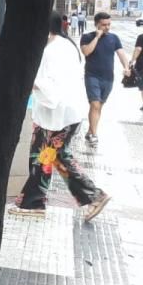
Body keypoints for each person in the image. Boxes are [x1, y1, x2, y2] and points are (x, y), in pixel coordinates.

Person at [11, 12, 112, 220]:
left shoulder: (52, 50)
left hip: (57, 115)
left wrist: (31, 83)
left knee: (42, 157)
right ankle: (90, 196)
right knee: (56, 157)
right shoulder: (66, 45)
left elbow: (51, 86)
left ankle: (34, 203)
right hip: (64, 114)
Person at [80, 11, 131, 147]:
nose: (107, 27)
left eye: (109, 24)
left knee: (99, 106)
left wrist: (126, 67)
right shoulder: (87, 37)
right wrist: (97, 37)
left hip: (108, 78)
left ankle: (90, 131)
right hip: (92, 76)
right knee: (95, 105)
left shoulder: (114, 38)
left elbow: (121, 54)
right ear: (96, 24)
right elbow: (86, 52)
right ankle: (94, 135)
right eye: (104, 25)